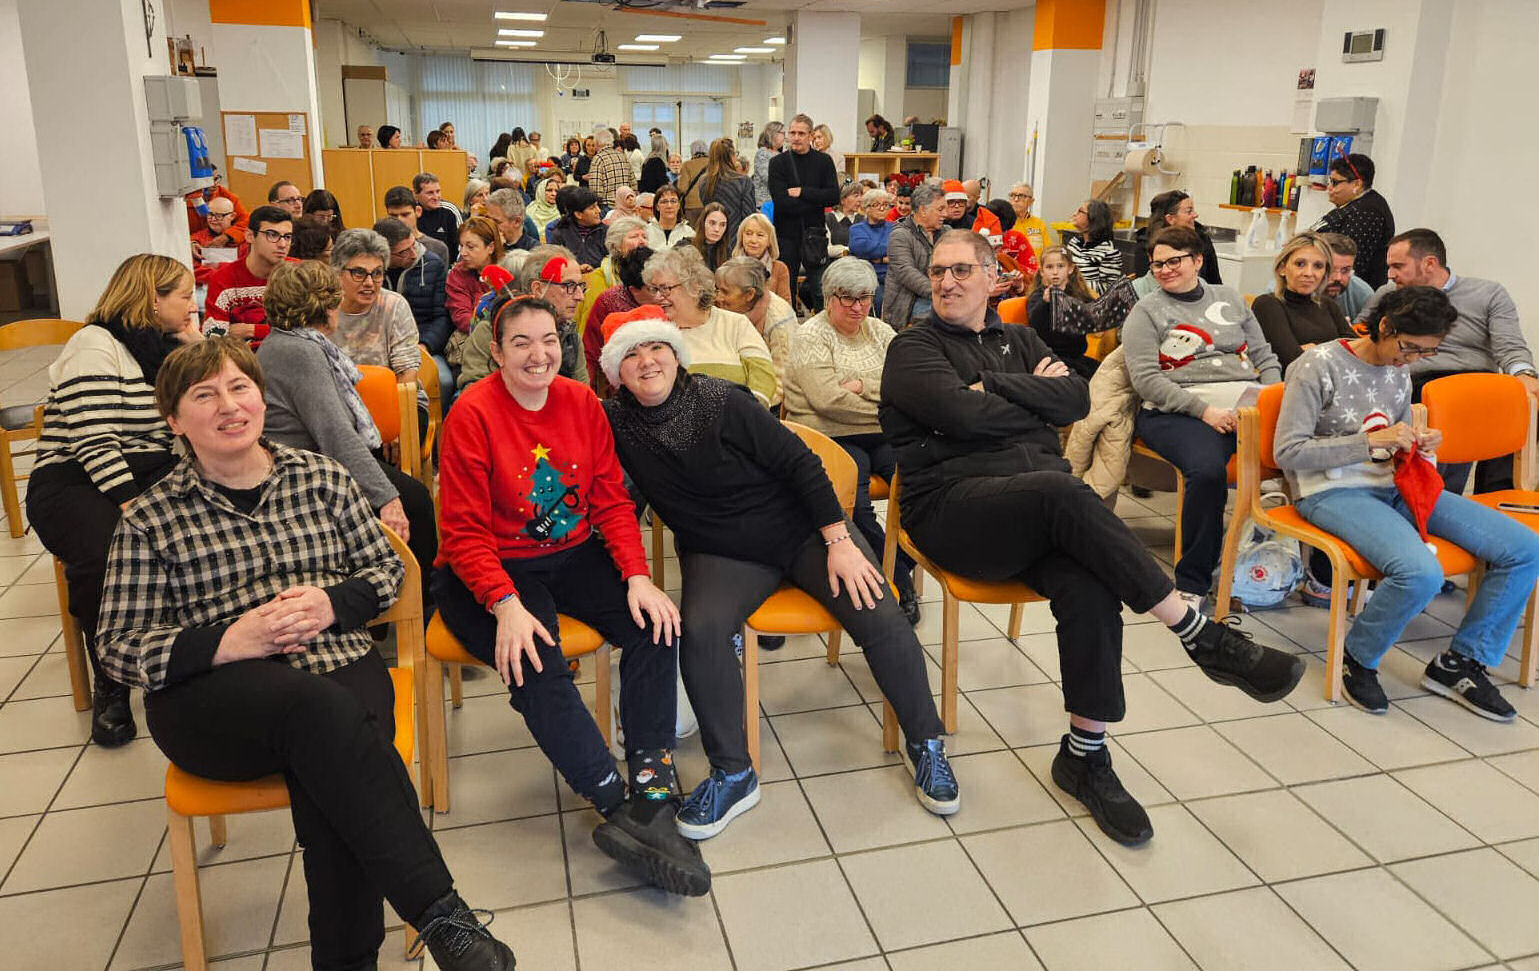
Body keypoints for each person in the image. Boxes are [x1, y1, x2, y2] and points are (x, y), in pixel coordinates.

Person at [96, 338, 515, 969]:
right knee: (333, 726)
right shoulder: (151, 519)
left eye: (240, 387)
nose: (229, 405)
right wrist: (228, 641)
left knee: (333, 770)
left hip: (334, 658)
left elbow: (386, 570)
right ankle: (443, 917)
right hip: (213, 700)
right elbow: (116, 646)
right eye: (204, 395)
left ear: (262, 398)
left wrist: (331, 603)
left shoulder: (321, 477)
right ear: (174, 420)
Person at [881, 229, 1303, 845]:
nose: (947, 282)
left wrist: (993, 385)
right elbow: (959, 414)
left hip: (1037, 508)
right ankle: (1197, 632)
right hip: (952, 511)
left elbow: (1074, 399)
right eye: (939, 271)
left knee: (1090, 582)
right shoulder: (913, 347)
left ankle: (1084, 754)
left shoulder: (1021, 339)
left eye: (961, 270)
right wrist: (1028, 400)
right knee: (1062, 491)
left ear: (993, 277)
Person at [601, 313, 958, 838]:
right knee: (700, 632)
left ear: (677, 356)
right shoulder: (614, 423)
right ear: (615, 374)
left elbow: (801, 464)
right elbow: (603, 486)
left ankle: (925, 742)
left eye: (657, 348)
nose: (646, 361)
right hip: (721, 553)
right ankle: (734, 773)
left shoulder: (721, 400)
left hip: (803, 532)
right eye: (631, 355)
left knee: (877, 609)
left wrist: (839, 541)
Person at [433, 296, 709, 896]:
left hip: (572, 552)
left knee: (655, 624)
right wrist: (505, 605)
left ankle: (651, 783)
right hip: (490, 566)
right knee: (534, 657)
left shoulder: (581, 401)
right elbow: (461, 532)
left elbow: (610, 499)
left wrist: (638, 576)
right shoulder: (472, 412)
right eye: (521, 343)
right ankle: (614, 801)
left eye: (548, 340)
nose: (538, 354)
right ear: (497, 352)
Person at [1275, 285, 1539, 720]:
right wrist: (1368, 442)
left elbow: (1394, 442)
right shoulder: (1317, 365)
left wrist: (1419, 443)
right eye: (1410, 347)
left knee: (1524, 549)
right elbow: (1289, 452)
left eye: (1427, 352)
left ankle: (1460, 663)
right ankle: (1359, 656)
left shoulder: (1398, 371)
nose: (1413, 359)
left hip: (1397, 484)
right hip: (1330, 491)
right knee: (1420, 573)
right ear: (1384, 326)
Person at [27, 254, 200, 747]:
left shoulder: (166, 346)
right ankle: (111, 682)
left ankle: (187, 654)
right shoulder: (94, 344)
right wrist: (132, 506)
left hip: (149, 470)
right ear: (152, 300)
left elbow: (207, 401)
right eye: (184, 296)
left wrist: (196, 346)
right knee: (109, 553)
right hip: (76, 477)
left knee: (204, 530)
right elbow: (94, 441)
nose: (192, 305)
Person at [1123, 226, 1282, 610]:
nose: (1164, 270)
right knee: (1208, 470)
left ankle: (1309, 569)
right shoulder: (1146, 311)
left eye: (1173, 261)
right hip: (1176, 410)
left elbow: (1265, 357)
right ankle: (1193, 581)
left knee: (1303, 450)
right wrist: (1205, 413)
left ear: (1197, 260)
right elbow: (1146, 381)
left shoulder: (1230, 298)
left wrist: (1274, 399)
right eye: (1157, 264)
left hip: (1244, 403)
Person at [258, 259, 437, 581]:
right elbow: (336, 435)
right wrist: (386, 498)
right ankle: (418, 599)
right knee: (416, 500)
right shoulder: (300, 351)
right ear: (322, 306)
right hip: (305, 474)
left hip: (305, 461)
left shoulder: (286, 342)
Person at [782, 257, 919, 622]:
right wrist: (886, 401)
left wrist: (861, 386)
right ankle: (896, 577)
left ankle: (901, 560)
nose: (858, 307)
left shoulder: (882, 332)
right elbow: (827, 400)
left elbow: (907, 385)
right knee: (854, 501)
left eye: (865, 297)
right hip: (827, 433)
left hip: (879, 433)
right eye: (848, 298)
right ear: (829, 298)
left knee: (919, 483)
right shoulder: (812, 336)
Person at [1358, 227, 1538, 495]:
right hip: (1418, 378)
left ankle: (1498, 496)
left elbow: (1510, 346)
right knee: (1441, 401)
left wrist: (1525, 374)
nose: (1390, 275)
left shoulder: (1487, 293)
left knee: (1521, 398)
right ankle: (1435, 495)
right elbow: (1361, 335)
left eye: (1398, 266)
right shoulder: (1388, 295)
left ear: (1429, 263)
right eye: (1390, 267)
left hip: (1477, 380)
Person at [642, 246, 775, 407]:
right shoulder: (652, 334)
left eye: (665, 289)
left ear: (694, 286)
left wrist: (746, 414)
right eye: (654, 289)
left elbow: (763, 376)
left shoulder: (735, 324)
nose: (657, 297)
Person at [460, 247, 591, 390]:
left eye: (580, 286)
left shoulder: (570, 335)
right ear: (538, 289)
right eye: (569, 285)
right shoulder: (491, 331)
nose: (580, 296)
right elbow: (475, 392)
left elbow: (583, 393)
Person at [1252, 232, 1354, 372]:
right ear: (1282, 268)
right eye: (1300, 264)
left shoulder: (1328, 305)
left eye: (1318, 266)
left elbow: (1356, 352)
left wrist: (1314, 348)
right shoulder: (1267, 305)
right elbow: (1293, 361)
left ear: (1325, 272)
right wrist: (1334, 347)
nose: (1309, 273)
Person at [769, 114, 840, 313]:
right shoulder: (778, 163)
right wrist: (816, 200)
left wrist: (803, 192)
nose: (796, 137)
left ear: (810, 136)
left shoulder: (824, 161)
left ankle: (824, 327)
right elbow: (782, 203)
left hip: (814, 235)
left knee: (820, 289)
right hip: (785, 236)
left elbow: (833, 197)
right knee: (785, 291)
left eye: (801, 133)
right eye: (792, 133)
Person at [375, 216, 452, 396]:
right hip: (382, 345)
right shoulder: (372, 274)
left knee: (444, 381)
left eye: (413, 245)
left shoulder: (433, 264)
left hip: (422, 341)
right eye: (404, 252)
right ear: (385, 254)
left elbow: (442, 316)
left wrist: (425, 344)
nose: (414, 254)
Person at [204, 204, 293, 342]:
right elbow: (213, 336)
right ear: (250, 236)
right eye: (272, 235)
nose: (282, 244)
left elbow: (314, 329)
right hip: (240, 354)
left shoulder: (300, 274)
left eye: (287, 237)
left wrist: (252, 330)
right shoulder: (223, 279)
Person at [715, 257, 797, 405]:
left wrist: (749, 408)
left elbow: (782, 383)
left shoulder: (777, 321)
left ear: (749, 295)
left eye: (725, 292)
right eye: (717, 289)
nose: (718, 298)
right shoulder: (726, 309)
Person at [1312, 153, 1394, 289]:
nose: (1329, 187)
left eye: (1335, 182)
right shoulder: (1353, 205)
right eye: (1330, 181)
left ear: (1357, 184)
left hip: (1340, 289)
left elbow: (1352, 262)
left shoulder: (1367, 213)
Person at [585, 247, 656, 391]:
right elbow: (590, 351)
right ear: (634, 290)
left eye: (664, 286)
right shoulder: (607, 302)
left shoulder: (672, 296)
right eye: (654, 289)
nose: (662, 294)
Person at [1027, 245, 1100, 380]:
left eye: (1060, 266)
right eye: (1049, 267)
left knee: (1104, 374)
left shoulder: (1078, 294)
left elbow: (1092, 318)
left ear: (1070, 269)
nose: (1055, 272)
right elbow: (1034, 322)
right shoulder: (1038, 296)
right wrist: (1045, 303)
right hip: (1050, 358)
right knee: (1082, 380)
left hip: (1076, 356)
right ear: (1042, 271)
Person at [881, 181, 946, 329]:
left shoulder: (946, 232)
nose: (945, 214)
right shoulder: (900, 234)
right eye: (940, 209)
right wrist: (940, 291)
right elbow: (906, 272)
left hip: (939, 296)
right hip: (906, 306)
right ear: (923, 210)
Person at [1132, 190, 1221, 284]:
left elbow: (1214, 282)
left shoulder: (1202, 239)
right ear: (1170, 219)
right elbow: (1146, 286)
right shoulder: (1146, 246)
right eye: (1189, 211)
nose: (1195, 215)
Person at [446, 215, 505, 337]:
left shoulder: (508, 271)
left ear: (491, 248)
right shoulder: (457, 274)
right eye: (461, 246)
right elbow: (461, 316)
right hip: (474, 335)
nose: (463, 253)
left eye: (470, 247)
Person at [699, 137, 758, 245]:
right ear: (731, 156)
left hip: (711, 240)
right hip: (735, 241)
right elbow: (749, 217)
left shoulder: (703, 181)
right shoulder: (744, 181)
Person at [848, 189, 893, 314]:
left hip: (892, 276)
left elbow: (899, 248)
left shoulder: (895, 227)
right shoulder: (857, 229)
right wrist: (885, 258)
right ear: (866, 208)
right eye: (876, 204)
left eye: (885, 204)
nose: (882, 208)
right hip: (867, 277)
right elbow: (861, 248)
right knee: (879, 299)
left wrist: (877, 258)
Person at [732, 213, 792, 304]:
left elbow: (785, 307)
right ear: (741, 237)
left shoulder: (780, 269)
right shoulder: (730, 268)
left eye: (760, 235)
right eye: (748, 234)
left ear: (769, 241)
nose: (753, 240)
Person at [1065, 199, 1122, 295]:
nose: (1074, 214)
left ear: (1093, 218)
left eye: (1080, 211)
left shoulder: (1109, 252)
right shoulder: (1074, 242)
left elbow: (1109, 290)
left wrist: (1075, 284)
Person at [383, 185, 450, 264]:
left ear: (418, 211)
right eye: (393, 216)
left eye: (405, 215)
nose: (399, 220)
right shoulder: (382, 247)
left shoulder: (437, 248)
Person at [547, 186, 608, 271]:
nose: (598, 211)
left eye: (597, 206)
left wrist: (596, 270)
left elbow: (611, 262)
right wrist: (575, 269)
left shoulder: (606, 232)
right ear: (578, 214)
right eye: (592, 208)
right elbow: (555, 264)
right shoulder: (560, 234)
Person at [1321, 232, 1375, 322]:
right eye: (1331, 269)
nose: (1338, 278)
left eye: (1345, 270)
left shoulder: (1363, 294)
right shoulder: (1300, 290)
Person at [189, 196, 240, 283]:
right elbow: (192, 270)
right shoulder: (196, 240)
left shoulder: (242, 240)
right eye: (210, 214)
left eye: (218, 216)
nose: (212, 219)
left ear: (232, 216)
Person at [413, 172, 461, 262]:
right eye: (430, 193)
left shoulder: (450, 211)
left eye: (438, 191)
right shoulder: (410, 213)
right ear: (416, 194)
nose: (436, 197)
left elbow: (461, 245)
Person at [588, 128, 635, 208]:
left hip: (607, 206)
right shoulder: (622, 156)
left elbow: (595, 188)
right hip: (625, 204)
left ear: (597, 143)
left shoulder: (598, 159)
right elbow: (633, 182)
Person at [485, 187, 539, 253]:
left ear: (517, 222)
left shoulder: (534, 252)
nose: (489, 225)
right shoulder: (483, 243)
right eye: (487, 218)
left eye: (496, 222)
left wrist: (499, 250)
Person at [645, 184, 695, 250]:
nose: (669, 206)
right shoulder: (646, 231)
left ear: (679, 206)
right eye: (664, 202)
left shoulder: (688, 232)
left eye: (673, 201)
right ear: (657, 207)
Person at [690, 203, 733, 272]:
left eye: (722, 225)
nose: (717, 229)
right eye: (712, 223)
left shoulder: (727, 252)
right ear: (703, 223)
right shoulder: (686, 246)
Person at [752, 122, 785, 209]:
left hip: (778, 200)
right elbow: (767, 177)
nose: (785, 137)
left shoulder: (780, 154)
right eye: (782, 133)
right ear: (773, 134)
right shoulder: (762, 153)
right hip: (764, 202)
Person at [826, 182, 863, 259]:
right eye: (856, 196)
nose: (860, 199)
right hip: (835, 264)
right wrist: (849, 251)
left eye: (861, 195)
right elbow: (827, 249)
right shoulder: (828, 219)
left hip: (859, 263)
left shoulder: (863, 219)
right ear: (842, 199)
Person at [677, 139, 711, 219]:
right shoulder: (713, 164)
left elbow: (682, 188)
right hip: (710, 203)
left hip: (691, 205)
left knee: (691, 227)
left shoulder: (687, 165)